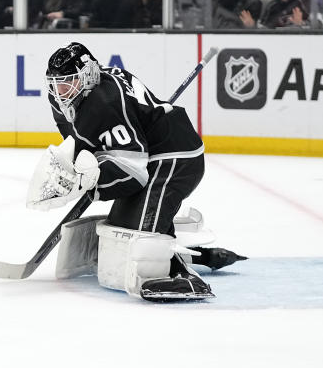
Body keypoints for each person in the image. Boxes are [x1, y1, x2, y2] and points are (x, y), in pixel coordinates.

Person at [31, 42, 245, 300]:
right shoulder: (69, 97)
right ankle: (201, 255)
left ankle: (185, 277)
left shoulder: (107, 101)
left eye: (67, 82)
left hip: (174, 158)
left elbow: (134, 172)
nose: (59, 91)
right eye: (55, 83)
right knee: (122, 230)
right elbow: (84, 143)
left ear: (87, 75)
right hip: (147, 154)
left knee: (139, 240)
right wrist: (76, 172)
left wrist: (93, 179)